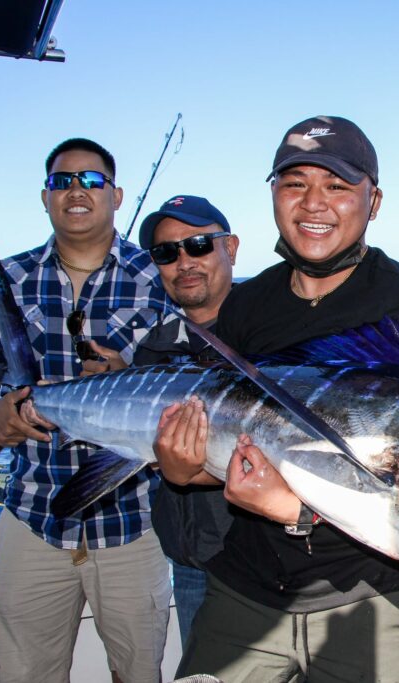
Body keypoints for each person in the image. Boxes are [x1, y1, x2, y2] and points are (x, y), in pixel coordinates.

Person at [166, 115, 399, 682]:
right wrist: (182, 469)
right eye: (294, 184)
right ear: (273, 194)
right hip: (244, 589)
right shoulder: (245, 307)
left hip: (374, 598)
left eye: (337, 186)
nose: (313, 203)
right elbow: (223, 442)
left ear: (373, 201)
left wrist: (301, 512)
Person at [0, 138, 172, 683]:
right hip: (33, 515)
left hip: (134, 521)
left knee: (138, 673)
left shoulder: (158, 276)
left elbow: (182, 371)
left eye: (92, 180)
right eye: (62, 181)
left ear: (117, 196)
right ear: (45, 196)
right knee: (22, 673)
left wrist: (126, 371)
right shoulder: (10, 277)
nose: (77, 190)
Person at [128, 194, 240, 648]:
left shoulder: (272, 332)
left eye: (198, 245)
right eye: (165, 253)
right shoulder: (153, 348)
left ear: (230, 248)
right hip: (190, 562)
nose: (183, 262)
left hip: (264, 562)